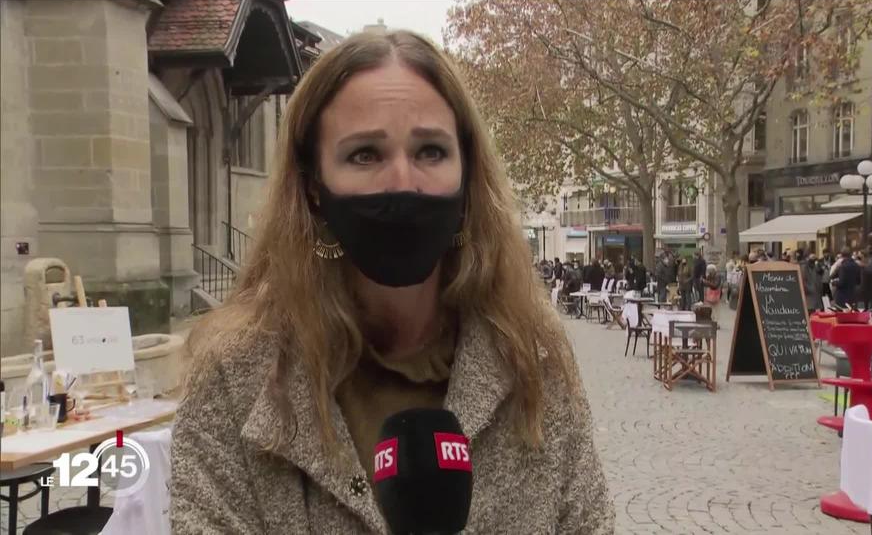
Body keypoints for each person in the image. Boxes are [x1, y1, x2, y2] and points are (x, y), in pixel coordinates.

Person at [170, 31, 613, 533]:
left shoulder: (534, 356)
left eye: (430, 151)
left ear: (467, 175)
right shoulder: (233, 378)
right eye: (364, 155)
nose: (403, 181)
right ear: (315, 186)